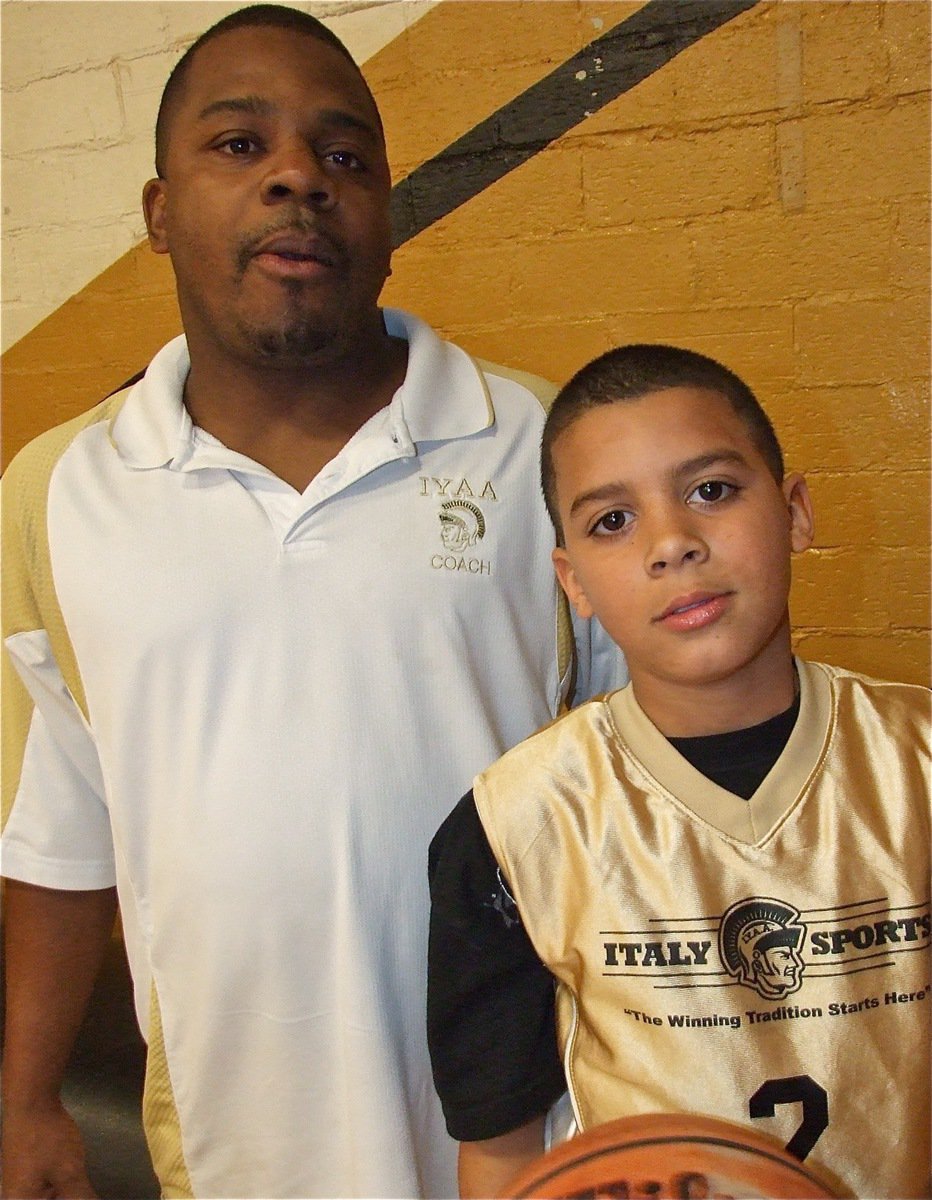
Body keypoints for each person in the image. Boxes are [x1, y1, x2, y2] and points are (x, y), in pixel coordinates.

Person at [0, 7, 627, 1198]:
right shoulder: (57, 490)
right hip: (236, 1143)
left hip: (529, 1137)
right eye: (239, 145)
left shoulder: (544, 448)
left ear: (386, 218)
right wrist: (25, 1095)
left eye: (343, 157)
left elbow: (652, 783)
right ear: (156, 213)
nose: (298, 175)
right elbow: (55, 827)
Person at [427, 343, 931, 1199]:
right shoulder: (516, 824)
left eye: (711, 491)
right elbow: (503, 1151)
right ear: (572, 582)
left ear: (796, 511)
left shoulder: (914, 765)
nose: (672, 543)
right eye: (611, 522)